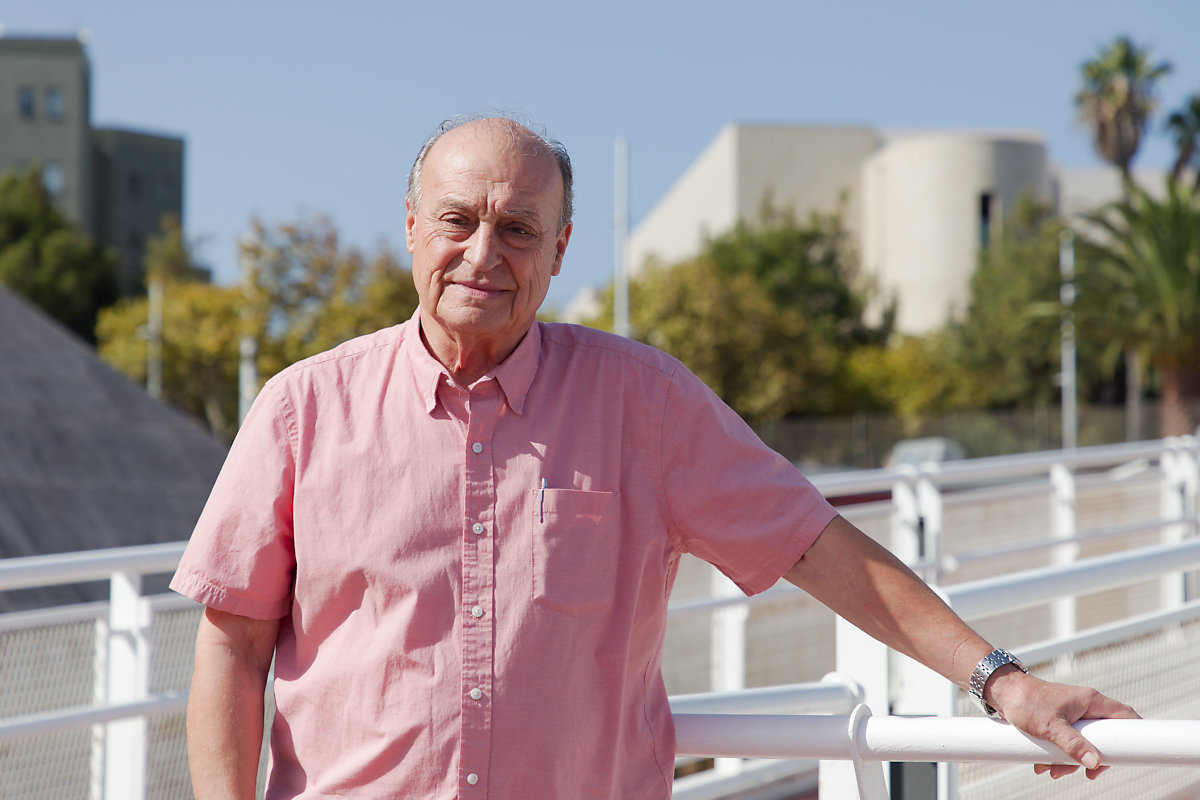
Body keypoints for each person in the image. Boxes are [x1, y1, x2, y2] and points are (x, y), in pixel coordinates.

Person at [171, 115, 1137, 799]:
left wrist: (1002, 683)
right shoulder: (301, 407)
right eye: (459, 221)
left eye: (519, 229)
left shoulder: (645, 402)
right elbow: (233, 645)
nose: (484, 254)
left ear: (560, 251)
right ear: (413, 228)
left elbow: (816, 546)